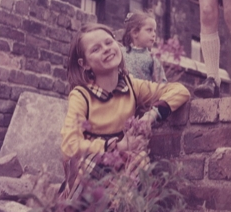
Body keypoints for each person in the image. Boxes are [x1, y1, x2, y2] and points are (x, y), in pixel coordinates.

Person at [60, 23, 190, 200]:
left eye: (108, 42)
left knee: (139, 160)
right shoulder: (81, 95)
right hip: (90, 175)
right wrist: (115, 146)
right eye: (96, 49)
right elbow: (70, 146)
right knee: (129, 160)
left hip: (123, 170)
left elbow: (180, 91)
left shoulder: (130, 85)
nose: (106, 49)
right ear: (85, 64)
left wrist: (150, 117)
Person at [121, 11, 167, 83]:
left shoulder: (152, 58)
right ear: (135, 33)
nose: (154, 34)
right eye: (149, 30)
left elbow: (162, 83)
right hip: (122, 91)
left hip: (143, 93)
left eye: (154, 31)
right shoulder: (121, 52)